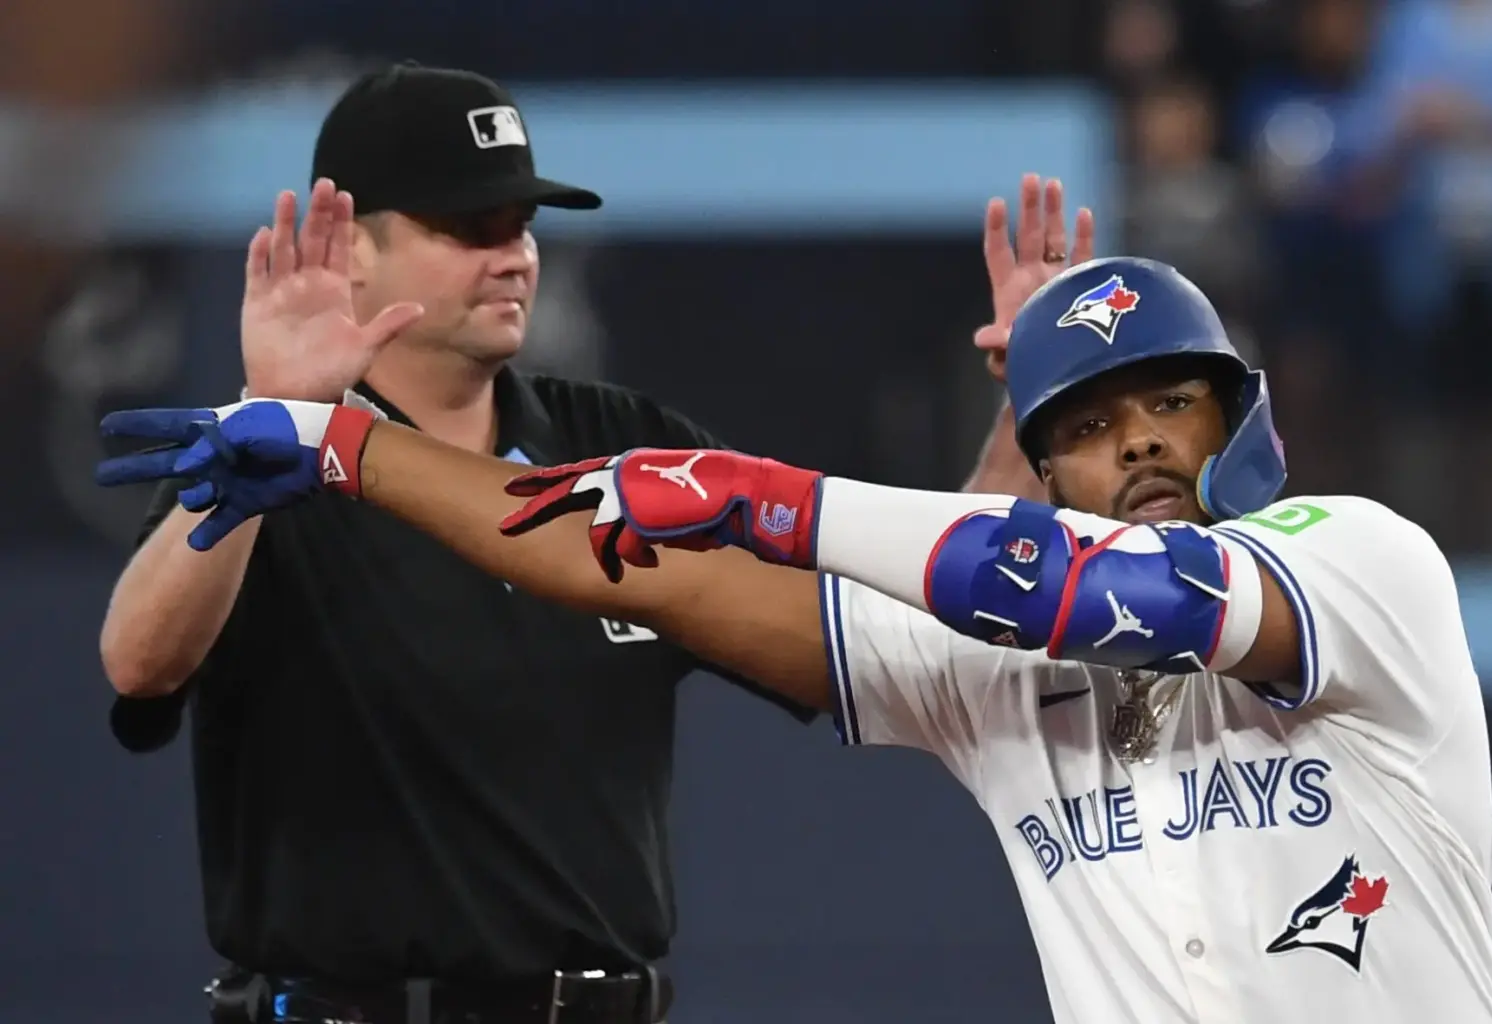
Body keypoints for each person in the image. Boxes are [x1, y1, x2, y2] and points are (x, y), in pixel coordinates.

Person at [98, 257, 1492, 1022]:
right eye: (1083, 427)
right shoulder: (989, 677)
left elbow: (1110, 595)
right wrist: (345, 445)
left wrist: (765, 496)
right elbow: (637, 574)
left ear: (1241, 418)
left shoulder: (1361, 564)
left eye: (1171, 402)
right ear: (1042, 468)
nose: (1135, 437)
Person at [95, 59, 1094, 1023]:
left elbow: (887, 620)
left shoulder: (627, 453)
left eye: (522, 225)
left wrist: (1026, 411)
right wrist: (271, 422)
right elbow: (139, 663)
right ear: (352, 244)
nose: (514, 255)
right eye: (470, 225)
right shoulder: (274, 459)